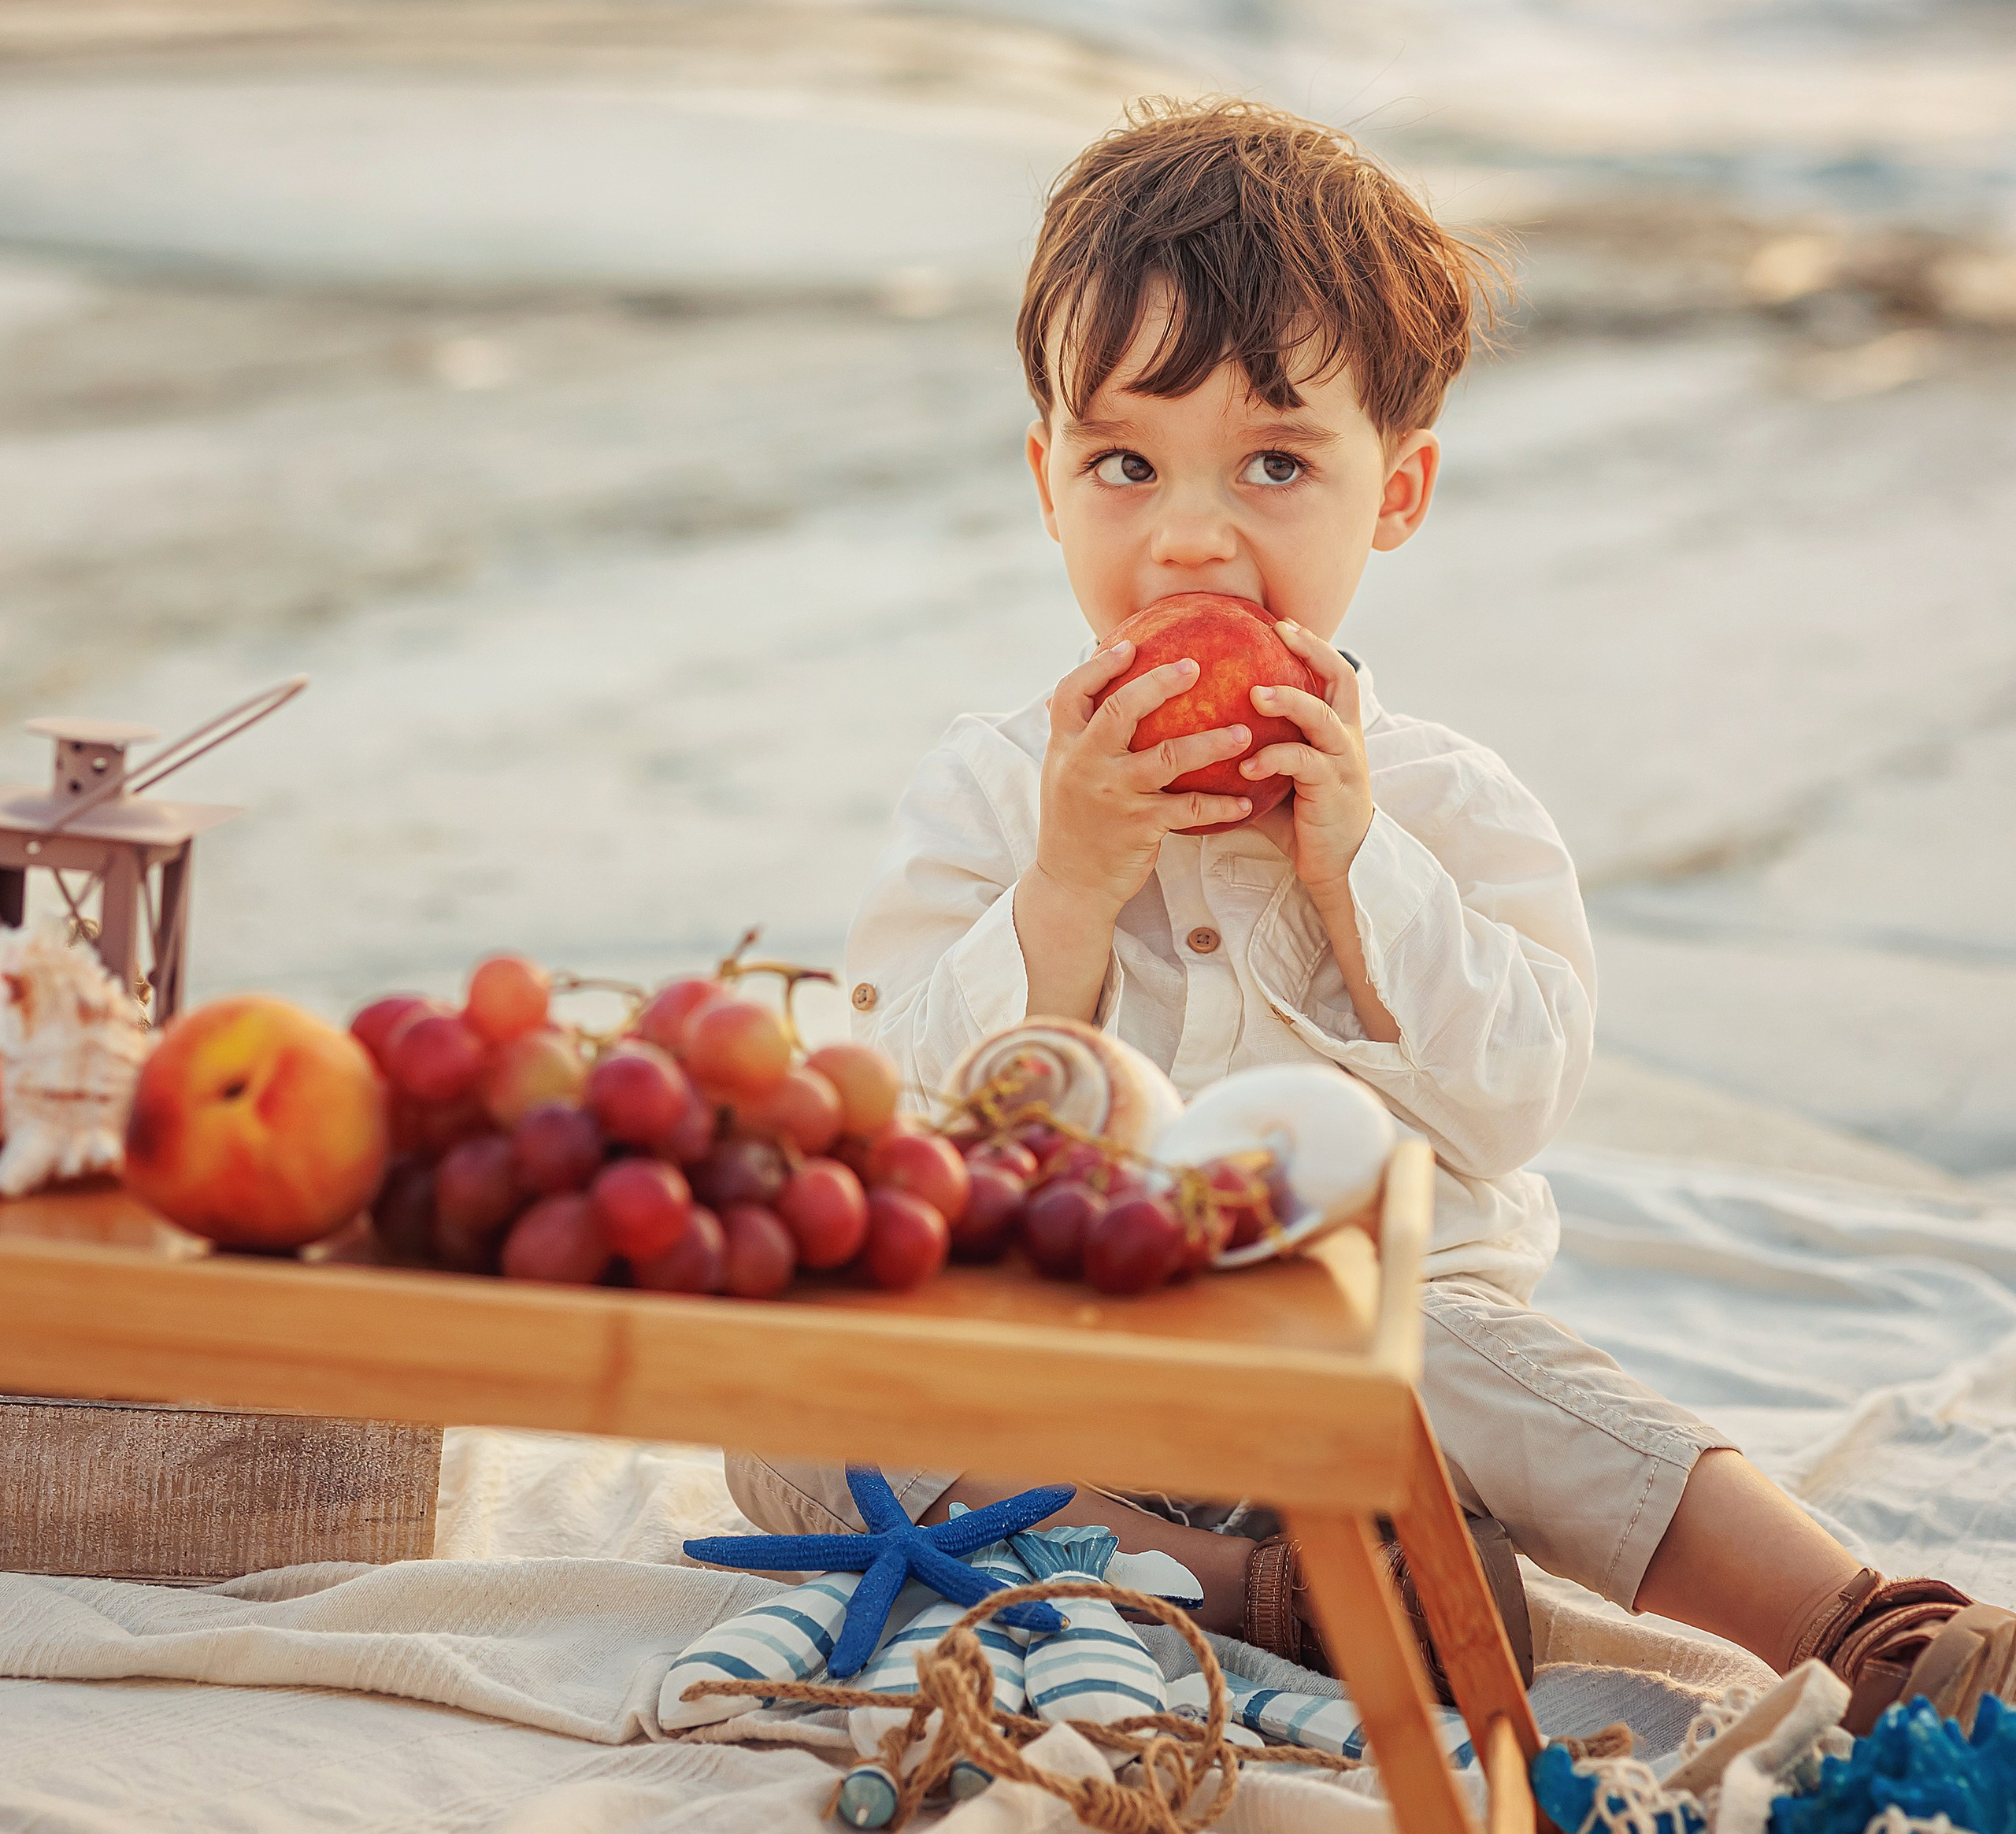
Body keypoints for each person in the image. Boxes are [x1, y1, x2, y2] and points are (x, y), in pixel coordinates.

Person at [727, 100, 2009, 1732]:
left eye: (1273, 464)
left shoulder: (1442, 804)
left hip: (1374, 1343)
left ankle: (1867, 1627)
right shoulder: (993, 795)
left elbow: (1516, 1095)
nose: (1189, 532)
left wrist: (1360, 873)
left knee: (1526, 1396)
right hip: (1070, 1356)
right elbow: (894, 1111)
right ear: (1046, 480)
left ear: (1393, 491)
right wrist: (1062, 886)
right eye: (1124, 463)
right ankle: (1294, 1593)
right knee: (783, 1425)